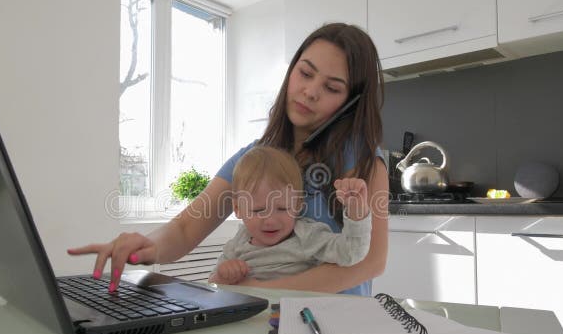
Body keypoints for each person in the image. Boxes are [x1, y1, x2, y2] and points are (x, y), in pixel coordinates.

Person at [68, 22, 388, 295]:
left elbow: (371, 261)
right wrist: (147, 247)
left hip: (334, 333)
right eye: (305, 73)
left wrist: (258, 293)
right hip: (264, 326)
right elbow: (184, 229)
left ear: (351, 103)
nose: (310, 91)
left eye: (331, 88)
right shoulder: (251, 158)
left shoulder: (362, 162)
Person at [209, 146, 371, 284]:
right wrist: (223, 276)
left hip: (299, 316)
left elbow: (351, 253)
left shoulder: (307, 235)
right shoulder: (237, 243)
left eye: (282, 208)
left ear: (298, 205)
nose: (271, 221)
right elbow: (212, 284)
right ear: (238, 209)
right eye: (258, 210)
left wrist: (356, 210)